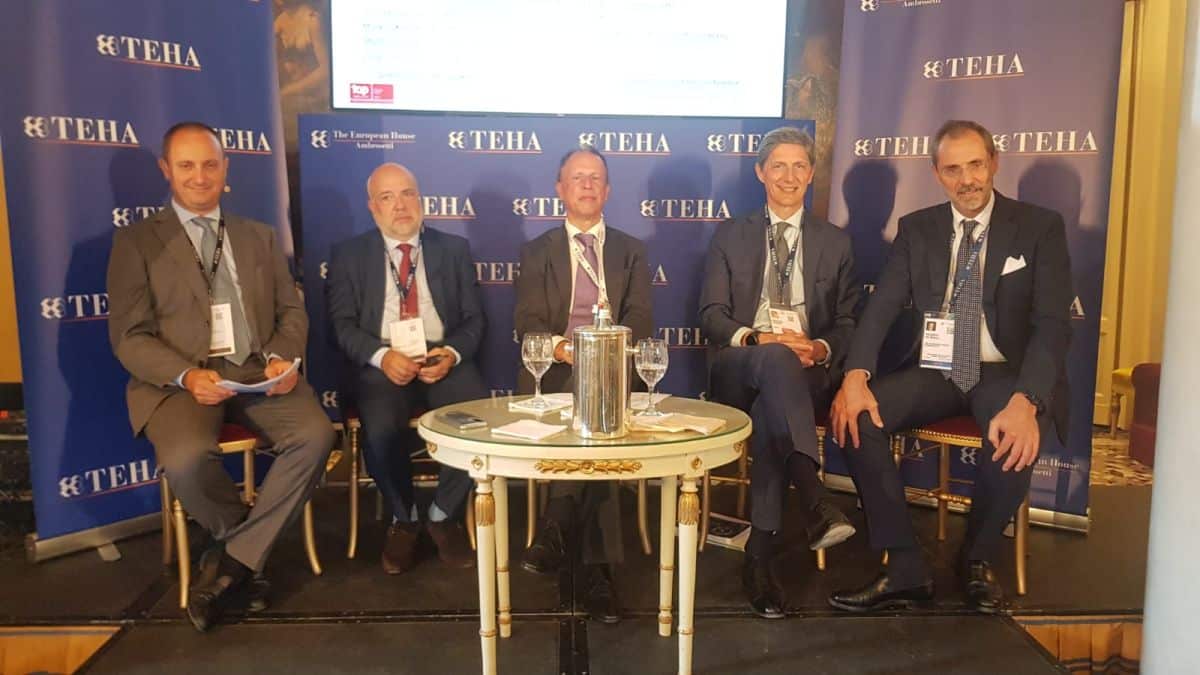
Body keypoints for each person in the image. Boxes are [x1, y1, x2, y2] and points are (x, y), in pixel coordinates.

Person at [828, 119, 1073, 614]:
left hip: (1005, 373)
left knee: (1011, 435)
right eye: (953, 169)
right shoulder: (917, 228)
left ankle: (976, 561)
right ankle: (904, 566)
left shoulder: (1039, 226)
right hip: (937, 368)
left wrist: (1027, 399)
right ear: (937, 174)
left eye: (976, 165)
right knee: (856, 418)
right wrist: (855, 375)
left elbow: (1052, 324)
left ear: (994, 163)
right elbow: (882, 306)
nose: (967, 180)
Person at [107, 122, 335, 632]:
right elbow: (129, 336)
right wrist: (186, 375)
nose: (200, 176)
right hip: (182, 382)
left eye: (210, 164)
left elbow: (290, 311)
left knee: (317, 435)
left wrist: (281, 358)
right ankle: (246, 557)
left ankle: (230, 563)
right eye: (186, 165)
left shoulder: (259, 235)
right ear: (166, 170)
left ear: (226, 168)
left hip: (258, 371)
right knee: (186, 459)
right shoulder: (137, 242)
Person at [698, 126, 861, 619]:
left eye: (799, 166)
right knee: (774, 361)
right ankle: (812, 495)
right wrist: (758, 338)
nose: (789, 176)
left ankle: (759, 558)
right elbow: (711, 315)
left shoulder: (836, 242)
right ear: (760, 173)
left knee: (776, 409)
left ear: (811, 175)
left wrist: (819, 347)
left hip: (806, 371)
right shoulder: (731, 234)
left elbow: (848, 322)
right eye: (778, 166)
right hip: (740, 365)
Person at [513, 146, 653, 623]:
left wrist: (603, 353)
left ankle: (556, 526)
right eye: (578, 178)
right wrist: (564, 349)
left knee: (599, 399)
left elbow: (640, 319)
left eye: (596, 178)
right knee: (594, 411)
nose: (588, 185)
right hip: (555, 369)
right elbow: (528, 322)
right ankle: (598, 574)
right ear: (560, 189)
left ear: (608, 190)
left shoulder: (631, 251)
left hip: (613, 369)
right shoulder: (538, 251)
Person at [326, 162, 485, 575]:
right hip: (383, 358)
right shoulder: (349, 254)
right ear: (373, 207)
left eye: (407, 194)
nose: (400, 205)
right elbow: (341, 325)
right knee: (380, 429)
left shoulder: (453, 249)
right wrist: (382, 357)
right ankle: (404, 516)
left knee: (475, 421)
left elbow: (474, 320)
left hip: (439, 355)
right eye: (387, 197)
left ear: (421, 200)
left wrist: (451, 353)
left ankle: (442, 514)